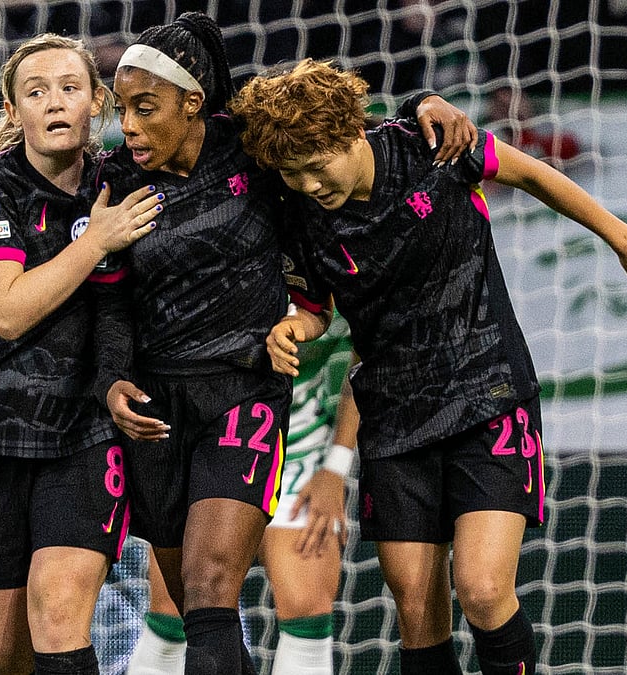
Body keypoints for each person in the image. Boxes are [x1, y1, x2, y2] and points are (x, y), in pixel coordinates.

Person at [230, 59, 627, 674]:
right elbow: (315, 306)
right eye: (293, 173)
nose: (309, 184)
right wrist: (294, 327)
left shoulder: (430, 147)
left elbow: (531, 173)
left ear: (353, 131)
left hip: (487, 394)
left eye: (317, 165)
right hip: (393, 418)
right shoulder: (300, 216)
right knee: (416, 613)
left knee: (485, 589)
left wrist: (624, 239)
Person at [90, 11, 476, 674]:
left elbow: (351, 126)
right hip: (169, 413)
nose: (126, 124)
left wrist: (423, 102)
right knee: (184, 608)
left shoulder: (266, 162)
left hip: (274, 416)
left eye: (142, 107)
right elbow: (110, 297)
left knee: (263, 596)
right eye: (120, 108)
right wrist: (109, 376)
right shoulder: (121, 180)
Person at [0, 33, 162, 675]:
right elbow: (7, 312)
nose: (55, 102)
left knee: (59, 607)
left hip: (85, 432)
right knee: (6, 658)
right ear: (14, 112)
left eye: (70, 87)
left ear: (98, 100)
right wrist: (95, 240)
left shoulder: (125, 180)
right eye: (36, 92)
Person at [128, 315, 360, 675]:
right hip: (211, 440)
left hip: (299, 451)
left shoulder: (331, 265)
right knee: (174, 610)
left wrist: (336, 466)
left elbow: (370, 347)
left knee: (306, 603)